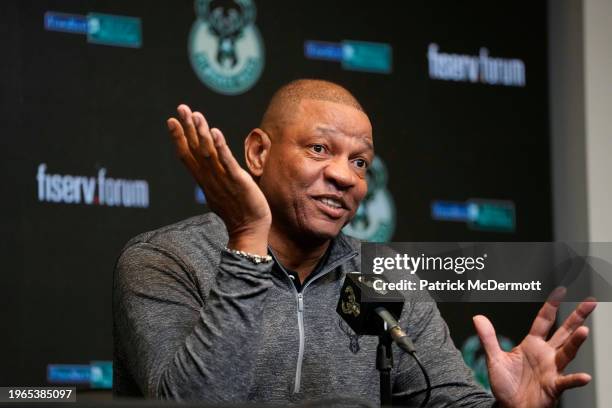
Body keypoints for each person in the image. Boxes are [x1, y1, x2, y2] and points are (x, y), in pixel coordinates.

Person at [113, 79, 596, 407]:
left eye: (361, 162)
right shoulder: (165, 260)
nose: (345, 176)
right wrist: (246, 240)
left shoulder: (380, 274)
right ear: (258, 152)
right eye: (319, 149)